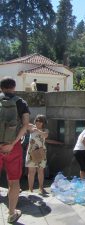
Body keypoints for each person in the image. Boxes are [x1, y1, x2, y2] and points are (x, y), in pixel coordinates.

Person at [0, 77, 30, 223]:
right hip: (13, 147)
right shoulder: (21, 102)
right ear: (14, 87)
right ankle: (12, 214)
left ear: (1, 88)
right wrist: (12, 143)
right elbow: (25, 126)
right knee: (14, 181)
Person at [25, 115, 49, 194]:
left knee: (40, 171)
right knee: (31, 171)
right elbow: (25, 124)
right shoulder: (32, 127)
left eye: (40, 121)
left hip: (41, 152)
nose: (38, 122)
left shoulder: (45, 130)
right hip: (31, 152)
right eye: (37, 120)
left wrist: (38, 131)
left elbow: (45, 135)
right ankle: (30, 189)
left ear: (43, 122)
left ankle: (41, 187)